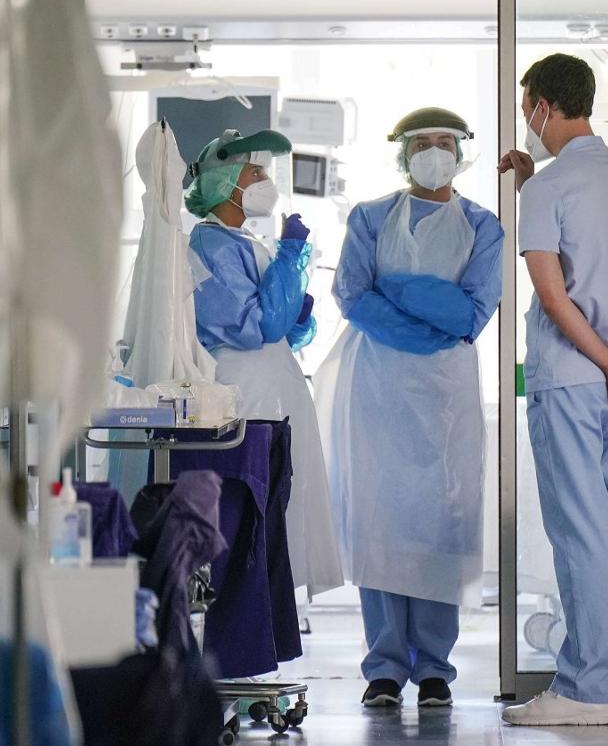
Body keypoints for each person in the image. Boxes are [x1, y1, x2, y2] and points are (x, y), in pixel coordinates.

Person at [313, 107, 504, 709]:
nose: (434, 151)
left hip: (445, 399)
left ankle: (434, 669)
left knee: (441, 527)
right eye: (423, 143)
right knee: (382, 525)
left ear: (461, 151)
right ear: (403, 154)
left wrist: (396, 288)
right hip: (379, 395)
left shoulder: (484, 226)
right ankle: (385, 668)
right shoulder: (370, 218)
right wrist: (430, 316)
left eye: (445, 141)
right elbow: (349, 294)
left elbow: (471, 314)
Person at [498, 55, 608, 726]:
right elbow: (600, 258)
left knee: (581, 533)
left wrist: (601, 362)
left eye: (526, 105)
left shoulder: (546, 192)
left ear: (541, 106)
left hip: (573, 377)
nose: (526, 118)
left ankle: (583, 688)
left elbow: (554, 295)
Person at [183, 129, 344, 605]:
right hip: (245, 401)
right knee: (248, 526)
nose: (264, 181)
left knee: (275, 524)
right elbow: (257, 327)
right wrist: (291, 258)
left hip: (273, 396)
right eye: (254, 172)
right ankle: (236, 644)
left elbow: (286, 332)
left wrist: (299, 310)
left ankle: (260, 643)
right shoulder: (210, 246)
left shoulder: (243, 241)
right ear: (225, 180)